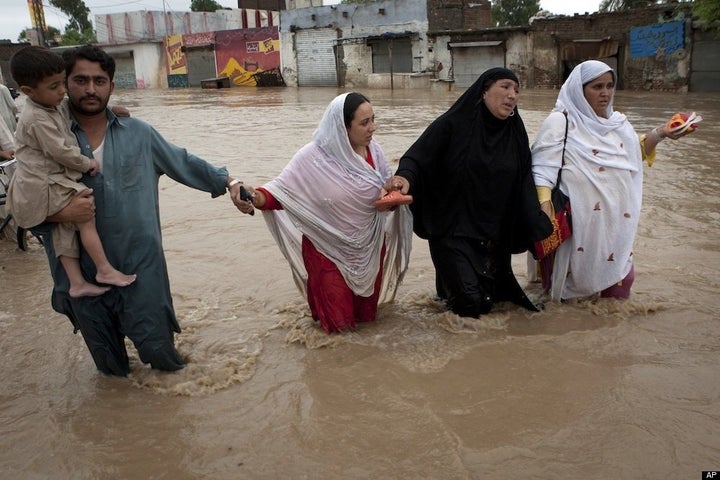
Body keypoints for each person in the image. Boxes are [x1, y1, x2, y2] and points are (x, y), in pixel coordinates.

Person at [29, 45, 247, 376]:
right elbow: (21, 206)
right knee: (110, 369)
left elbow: (183, 161)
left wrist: (232, 182)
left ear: (111, 86)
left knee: (164, 359)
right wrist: (61, 213)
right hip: (80, 275)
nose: (91, 89)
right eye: (81, 80)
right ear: (64, 84)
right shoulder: (44, 138)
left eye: (99, 81)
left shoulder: (139, 134)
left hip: (141, 269)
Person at [381, 68, 553, 318]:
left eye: (516, 90)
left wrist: (538, 219)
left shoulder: (515, 133)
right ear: (484, 90)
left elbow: (523, 180)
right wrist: (403, 179)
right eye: (505, 87)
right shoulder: (452, 125)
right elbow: (417, 158)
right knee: (470, 304)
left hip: (493, 234)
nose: (512, 95)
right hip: (451, 228)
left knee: (494, 302)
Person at [239, 92, 413, 334]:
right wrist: (253, 196)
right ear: (342, 127)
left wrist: (393, 191)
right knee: (340, 332)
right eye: (364, 123)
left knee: (367, 321)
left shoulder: (373, 151)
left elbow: (384, 189)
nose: (372, 128)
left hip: (369, 248)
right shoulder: (312, 158)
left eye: (373, 119)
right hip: (327, 251)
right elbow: (280, 194)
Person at [530, 60, 691, 301]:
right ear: (579, 89)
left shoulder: (618, 124)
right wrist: (544, 213)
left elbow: (631, 155)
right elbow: (543, 170)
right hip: (574, 226)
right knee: (569, 297)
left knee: (619, 286)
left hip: (613, 225)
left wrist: (661, 133)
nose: (605, 93)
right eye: (597, 87)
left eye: (609, 85)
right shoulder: (561, 121)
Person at [7, 46, 136, 298]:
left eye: (61, 84)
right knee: (84, 212)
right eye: (55, 87)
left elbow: (72, 105)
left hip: (48, 182)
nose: (63, 92)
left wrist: (113, 111)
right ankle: (104, 268)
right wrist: (86, 163)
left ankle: (76, 282)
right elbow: (59, 151)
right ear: (27, 92)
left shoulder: (50, 105)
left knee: (65, 228)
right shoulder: (36, 118)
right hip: (43, 184)